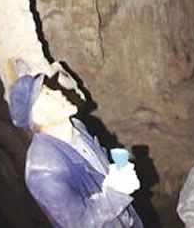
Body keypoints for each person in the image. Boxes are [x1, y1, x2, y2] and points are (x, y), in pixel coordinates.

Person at [8, 72, 143, 227]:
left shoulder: (76, 126)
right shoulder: (42, 172)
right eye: (47, 94)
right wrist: (118, 191)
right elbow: (80, 223)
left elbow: (94, 157)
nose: (58, 92)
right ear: (39, 117)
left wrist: (121, 158)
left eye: (50, 89)